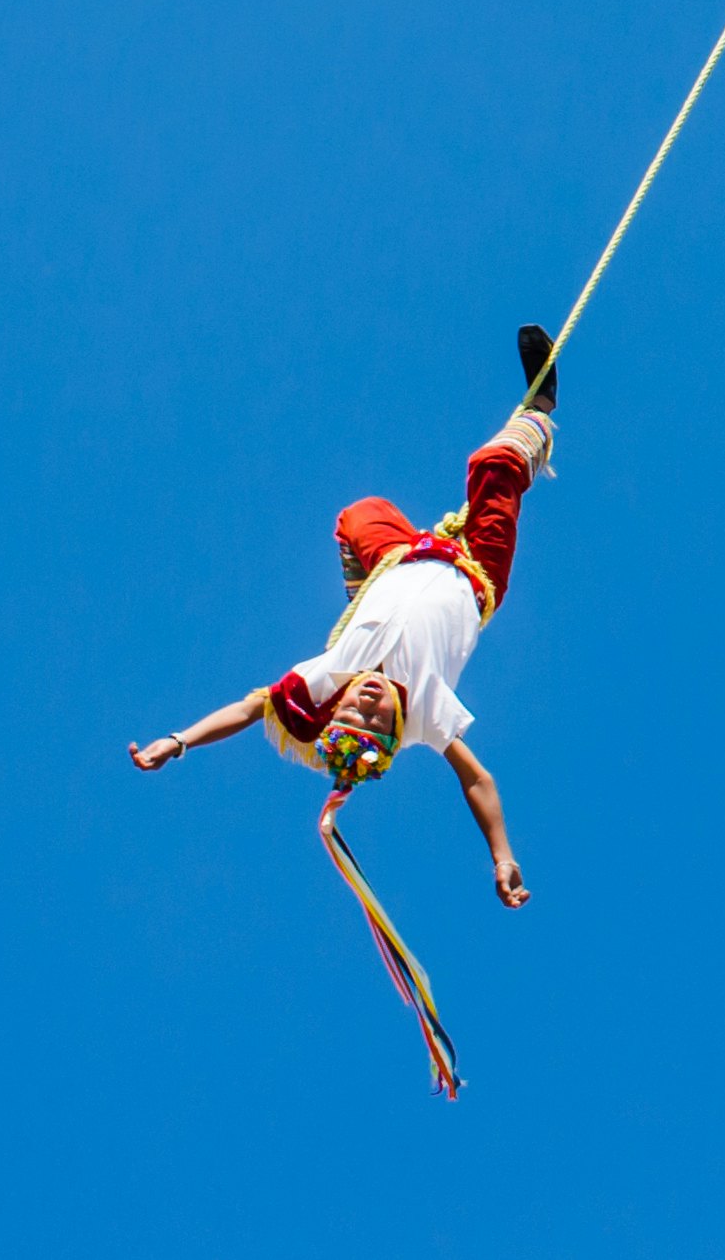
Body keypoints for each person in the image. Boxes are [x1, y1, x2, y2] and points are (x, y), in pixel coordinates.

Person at [128, 325, 568, 912]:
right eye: (376, 713)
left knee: (359, 514)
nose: (365, 698)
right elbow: (477, 781)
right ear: (394, 730)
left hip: (400, 559)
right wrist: (502, 855)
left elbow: (248, 707)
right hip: (475, 573)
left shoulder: (330, 676)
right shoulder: (428, 714)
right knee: (491, 468)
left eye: (353, 708)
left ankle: (366, 598)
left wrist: (178, 741)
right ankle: (541, 409)